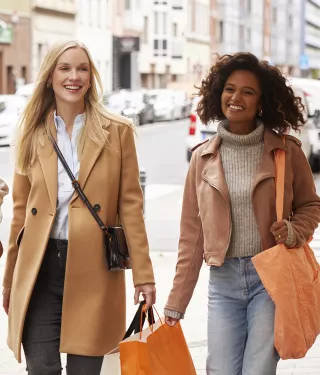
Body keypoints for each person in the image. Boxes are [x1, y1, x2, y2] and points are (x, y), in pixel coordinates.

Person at [1, 40, 156, 375]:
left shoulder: (118, 132)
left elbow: (131, 206)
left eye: (82, 68)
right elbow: (19, 213)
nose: (75, 76)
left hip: (94, 271)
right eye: (65, 68)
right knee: (41, 369)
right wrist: (11, 279)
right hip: (40, 268)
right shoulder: (31, 133)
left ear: (91, 76)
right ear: (49, 77)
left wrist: (144, 275)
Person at [164, 52, 320, 375]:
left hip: (269, 278)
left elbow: (310, 205)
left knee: (257, 370)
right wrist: (176, 302)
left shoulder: (286, 151)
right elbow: (191, 238)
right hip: (223, 281)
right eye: (230, 89)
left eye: (248, 92)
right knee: (220, 369)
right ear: (218, 94)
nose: (236, 98)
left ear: (262, 101)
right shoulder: (202, 160)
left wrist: (293, 230)